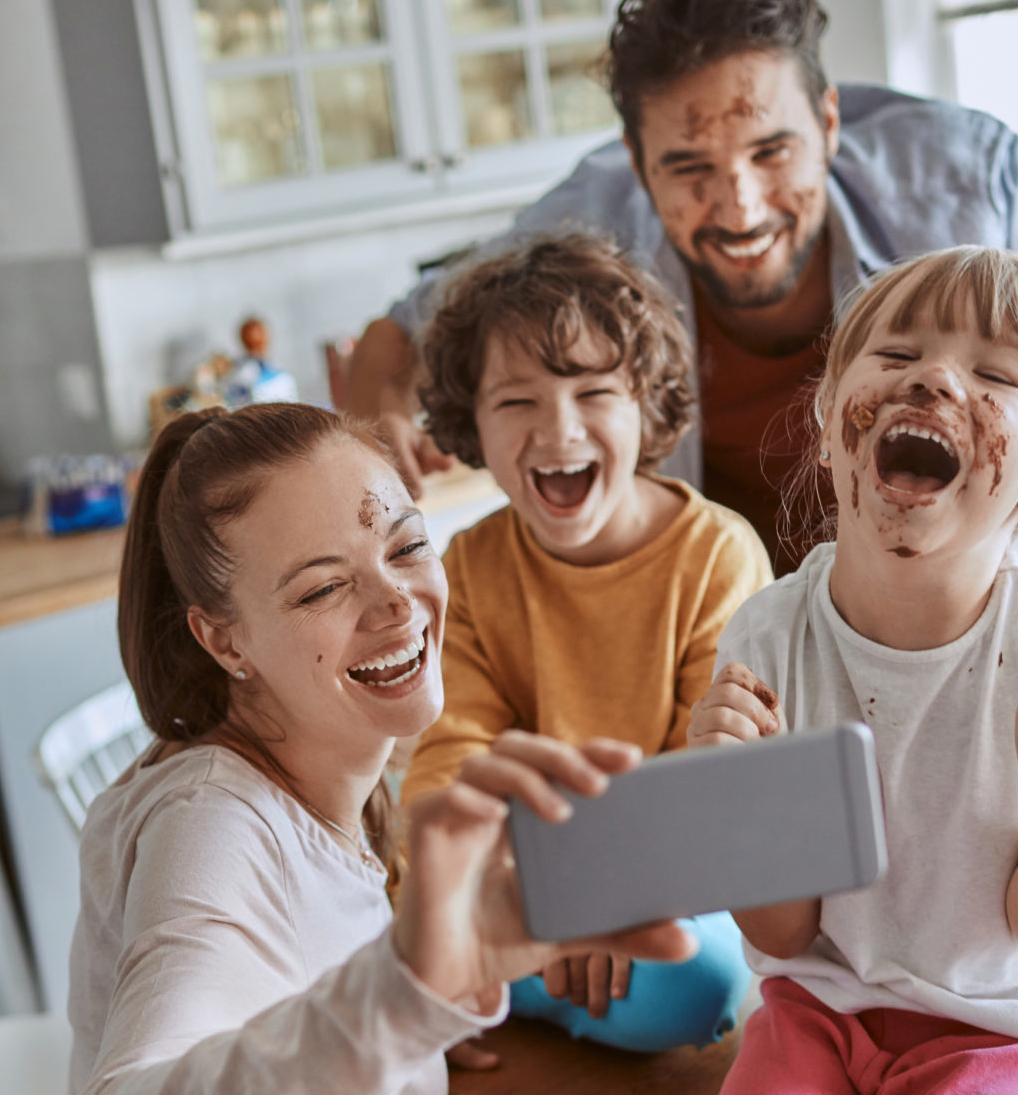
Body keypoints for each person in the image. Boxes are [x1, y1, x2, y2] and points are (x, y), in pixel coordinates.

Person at [347, 0, 1018, 571]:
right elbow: (396, 334)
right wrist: (381, 427)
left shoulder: (949, 173)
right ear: (636, 163)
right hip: (718, 635)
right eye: (690, 168)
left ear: (828, 123)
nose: (741, 206)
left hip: (944, 615)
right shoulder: (590, 221)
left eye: (772, 153)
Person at [68, 402, 697, 1095]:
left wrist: (437, 989)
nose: (396, 602)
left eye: (406, 548)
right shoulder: (209, 827)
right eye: (325, 587)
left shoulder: (344, 755)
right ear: (224, 640)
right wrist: (407, 991)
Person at [690, 247, 1018, 1094]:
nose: (935, 380)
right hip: (823, 1014)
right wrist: (741, 793)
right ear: (830, 424)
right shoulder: (768, 634)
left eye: (995, 374)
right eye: (898, 357)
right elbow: (784, 935)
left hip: (1014, 1031)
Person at [399, 233, 773, 1056]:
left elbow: (706, 781)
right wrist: (520, 900)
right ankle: (485, 981)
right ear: (472, 427)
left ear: (647, 405)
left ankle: (487, 989)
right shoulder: (469, 565)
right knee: (357, 929)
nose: (556, 429)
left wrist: (607, 894)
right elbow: (447, 760)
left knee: (698, 979)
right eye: (515, 401)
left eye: (593, 390)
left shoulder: (716, 554)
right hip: (516, 885)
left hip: (669, 883)